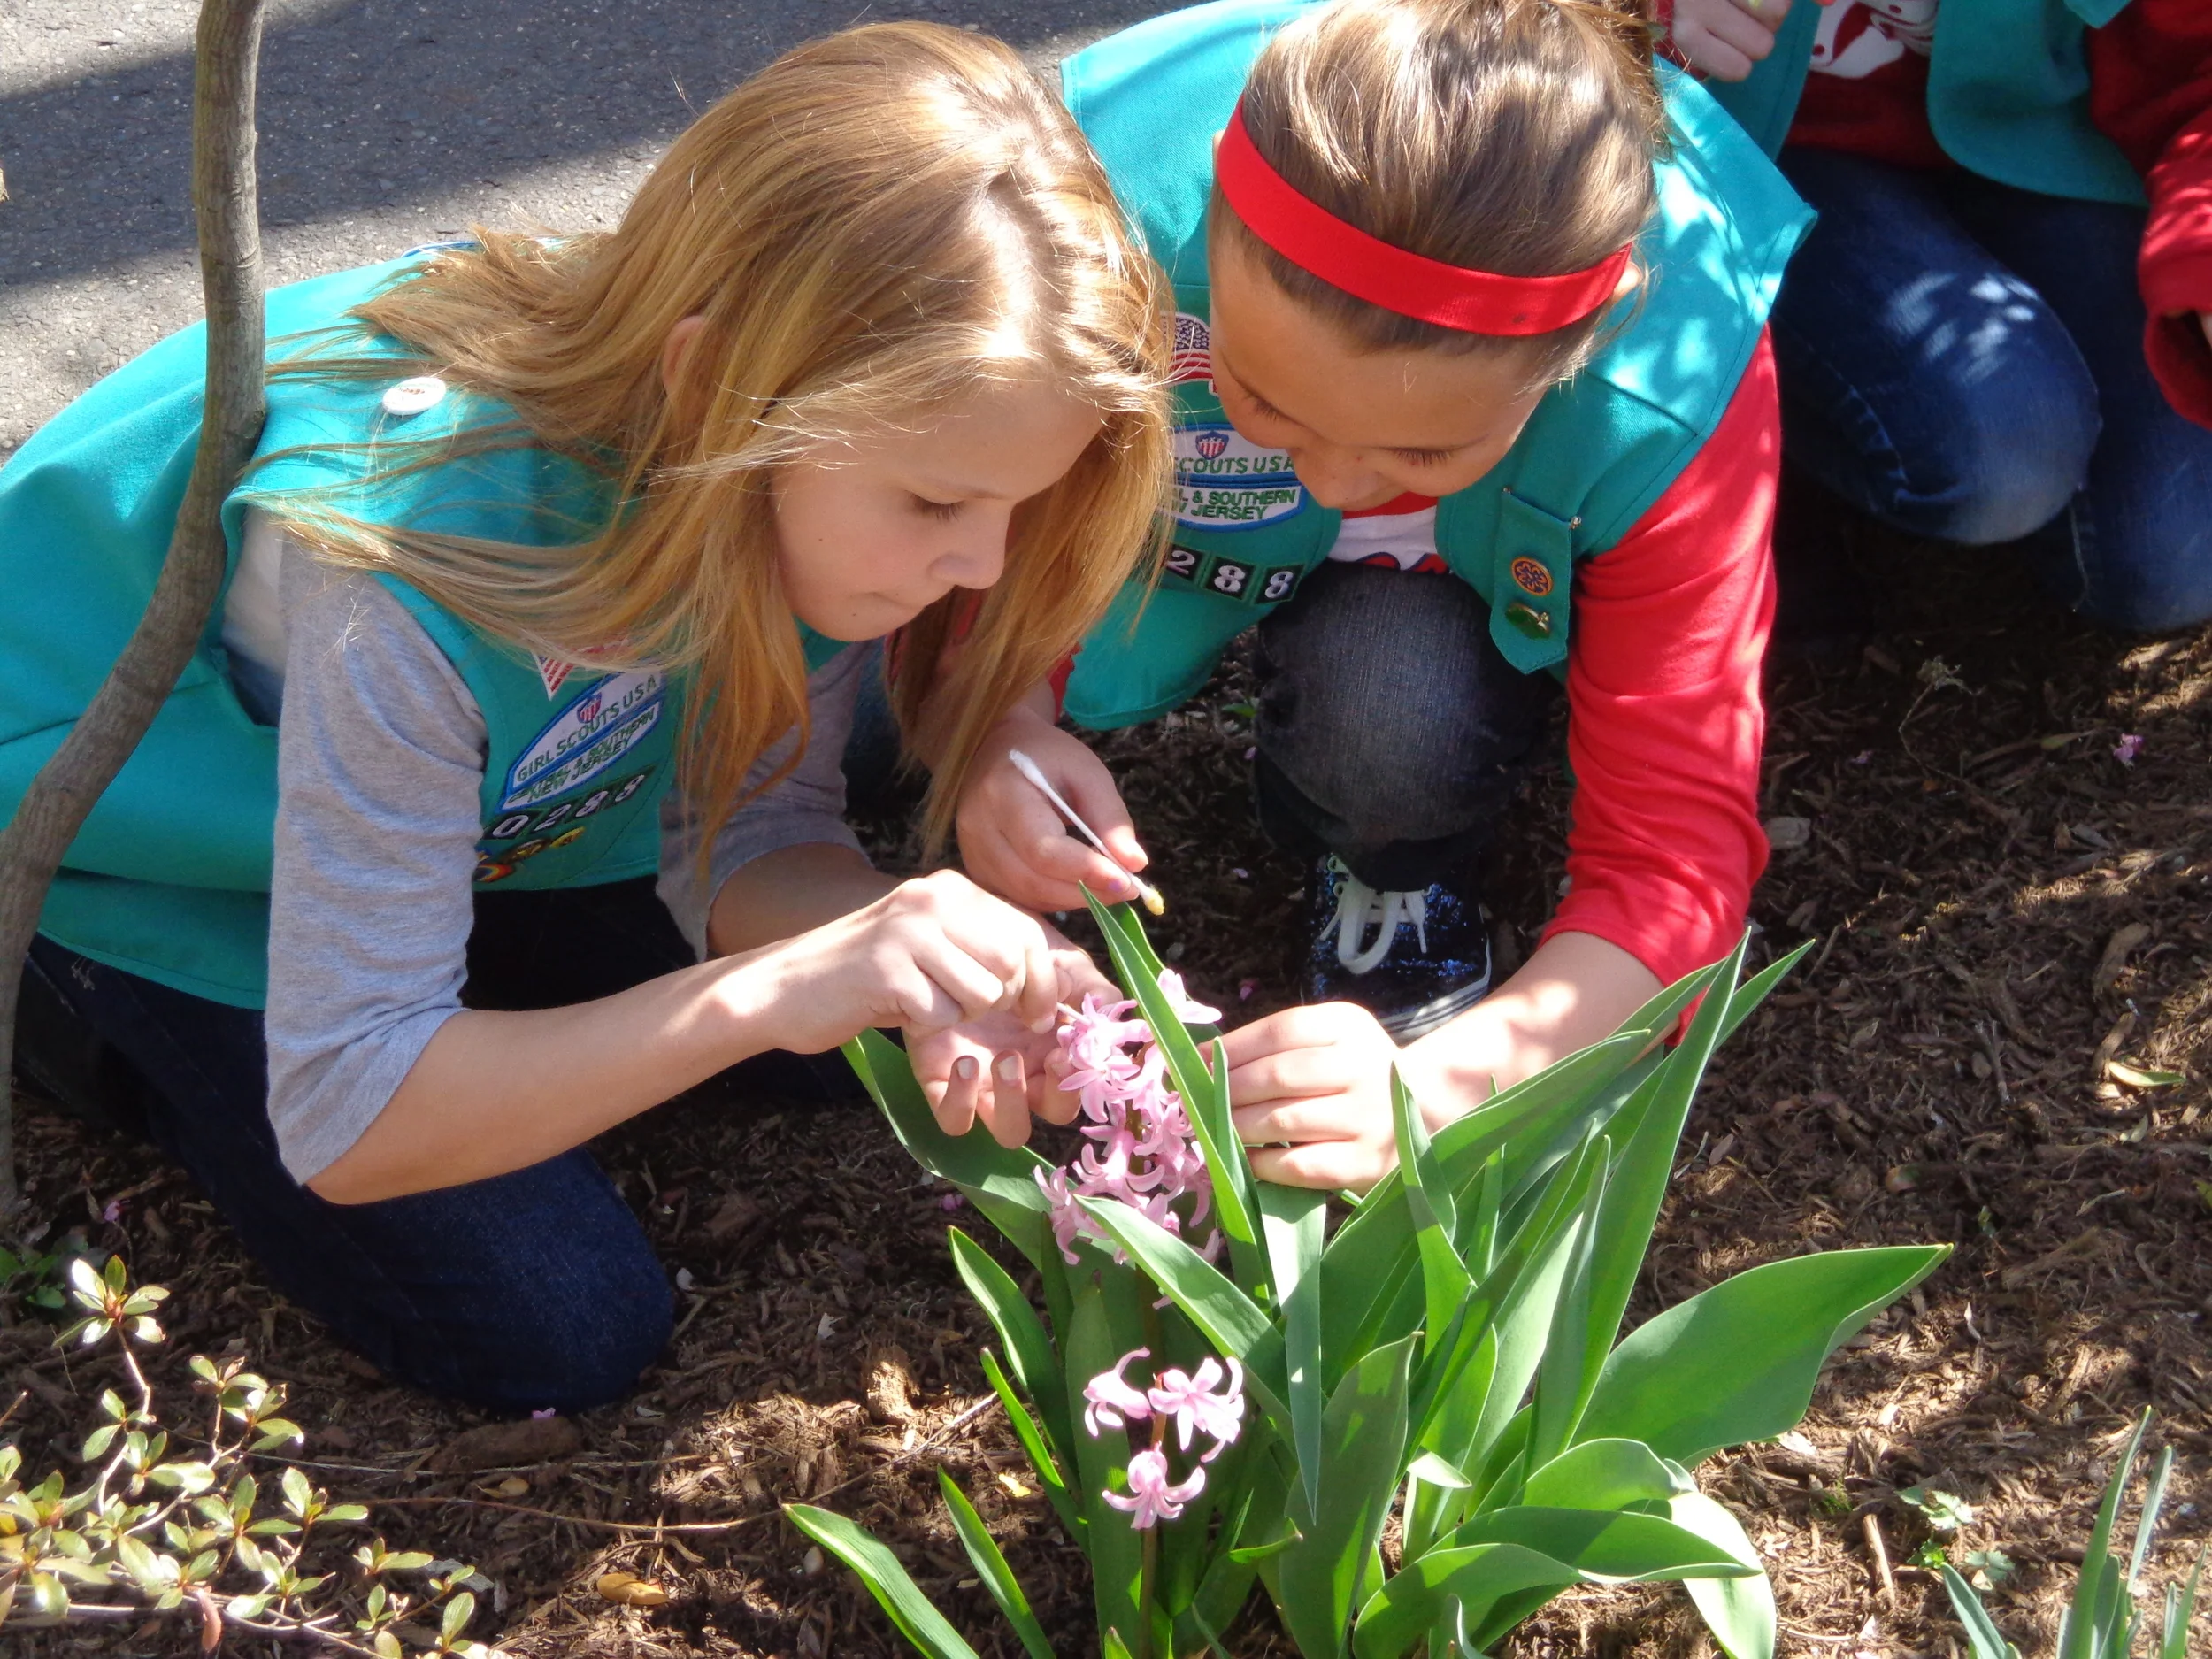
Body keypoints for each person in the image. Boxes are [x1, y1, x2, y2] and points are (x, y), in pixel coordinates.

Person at [0, 23, 1170, 1410]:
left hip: (462, 800)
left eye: (1014, 506)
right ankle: (104, 1034)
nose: (979, 567)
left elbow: (755, 817)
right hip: (129, 854)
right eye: (936, 504)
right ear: (715, 382)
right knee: (563, 1318)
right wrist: (769, 990)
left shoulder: (789, 469)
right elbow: (354, 1116)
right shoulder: (410, 567)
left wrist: (887, 940)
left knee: (855, 1038)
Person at [956, 0, 1812, 1188]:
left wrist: (1456, 1082)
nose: (1331, 477)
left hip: (1425, 625)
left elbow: (1676, 863)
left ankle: (1395, 842)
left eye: (1421, 455)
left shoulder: (1675, 375)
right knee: (877, 727)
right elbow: (972, 494)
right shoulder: (1093, 218)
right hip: (1164, 538)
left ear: (1588, 345)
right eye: (1264, 398)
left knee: (1397, 709)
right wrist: (1001, 717)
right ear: (1207, 220)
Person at [1664, 0, 2212, 632]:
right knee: (2005, 448)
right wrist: (1621, 22)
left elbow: (2195, 62)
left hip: (2040, 141)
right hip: (1776, 153)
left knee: (2175, 560)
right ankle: (1751, 455)